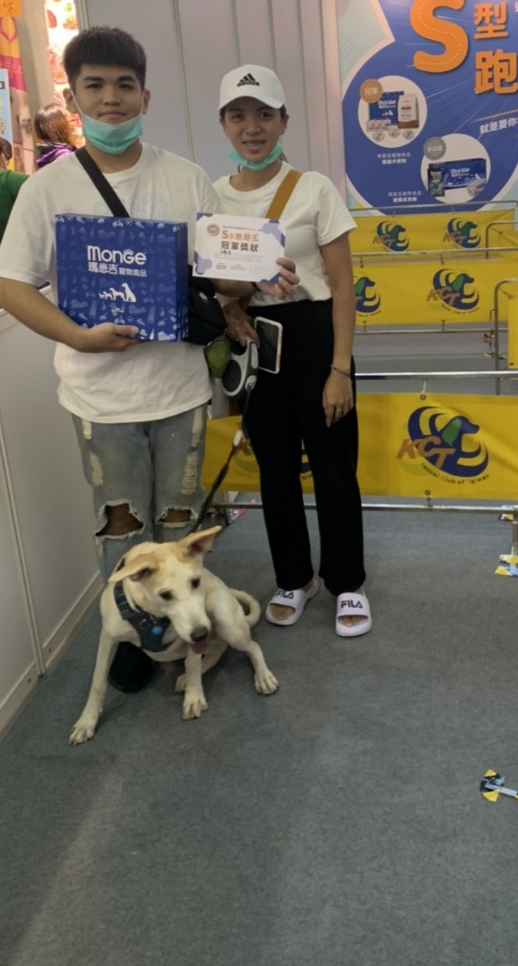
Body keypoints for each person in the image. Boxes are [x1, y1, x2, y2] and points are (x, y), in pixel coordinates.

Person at [0, 27, 296, 693]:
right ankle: (135, 633)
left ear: (145, 96)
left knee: (182, 526)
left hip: (180, 388)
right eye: (95, 85)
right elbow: (8, 286)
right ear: (73, 97)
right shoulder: (47, 190)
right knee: (120, 527)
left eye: (124, 85)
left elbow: (218, 274)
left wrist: (260, 274)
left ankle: (185, 627)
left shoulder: (185, 179)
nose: (111, 98)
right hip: (98, 397)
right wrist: (76, 336)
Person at [214, 64, 370, 638]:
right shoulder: (212, 197)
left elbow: (343, 287)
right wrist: (230, 309)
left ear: (284, 121)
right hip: (257, 342)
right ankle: (293, 578)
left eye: (263, 114)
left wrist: (340, 368)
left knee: (333, 468)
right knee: (274, 470)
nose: (251, 127)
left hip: (315, 335)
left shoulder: (315, 189)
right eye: (238, 116)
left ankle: (347, 582)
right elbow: (214, 280)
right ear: (223, 124)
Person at [33, 103, 77, 168]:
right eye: (71, 121)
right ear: (54, 127)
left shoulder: (47, 153)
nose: (75, 125)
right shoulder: (64, 156)